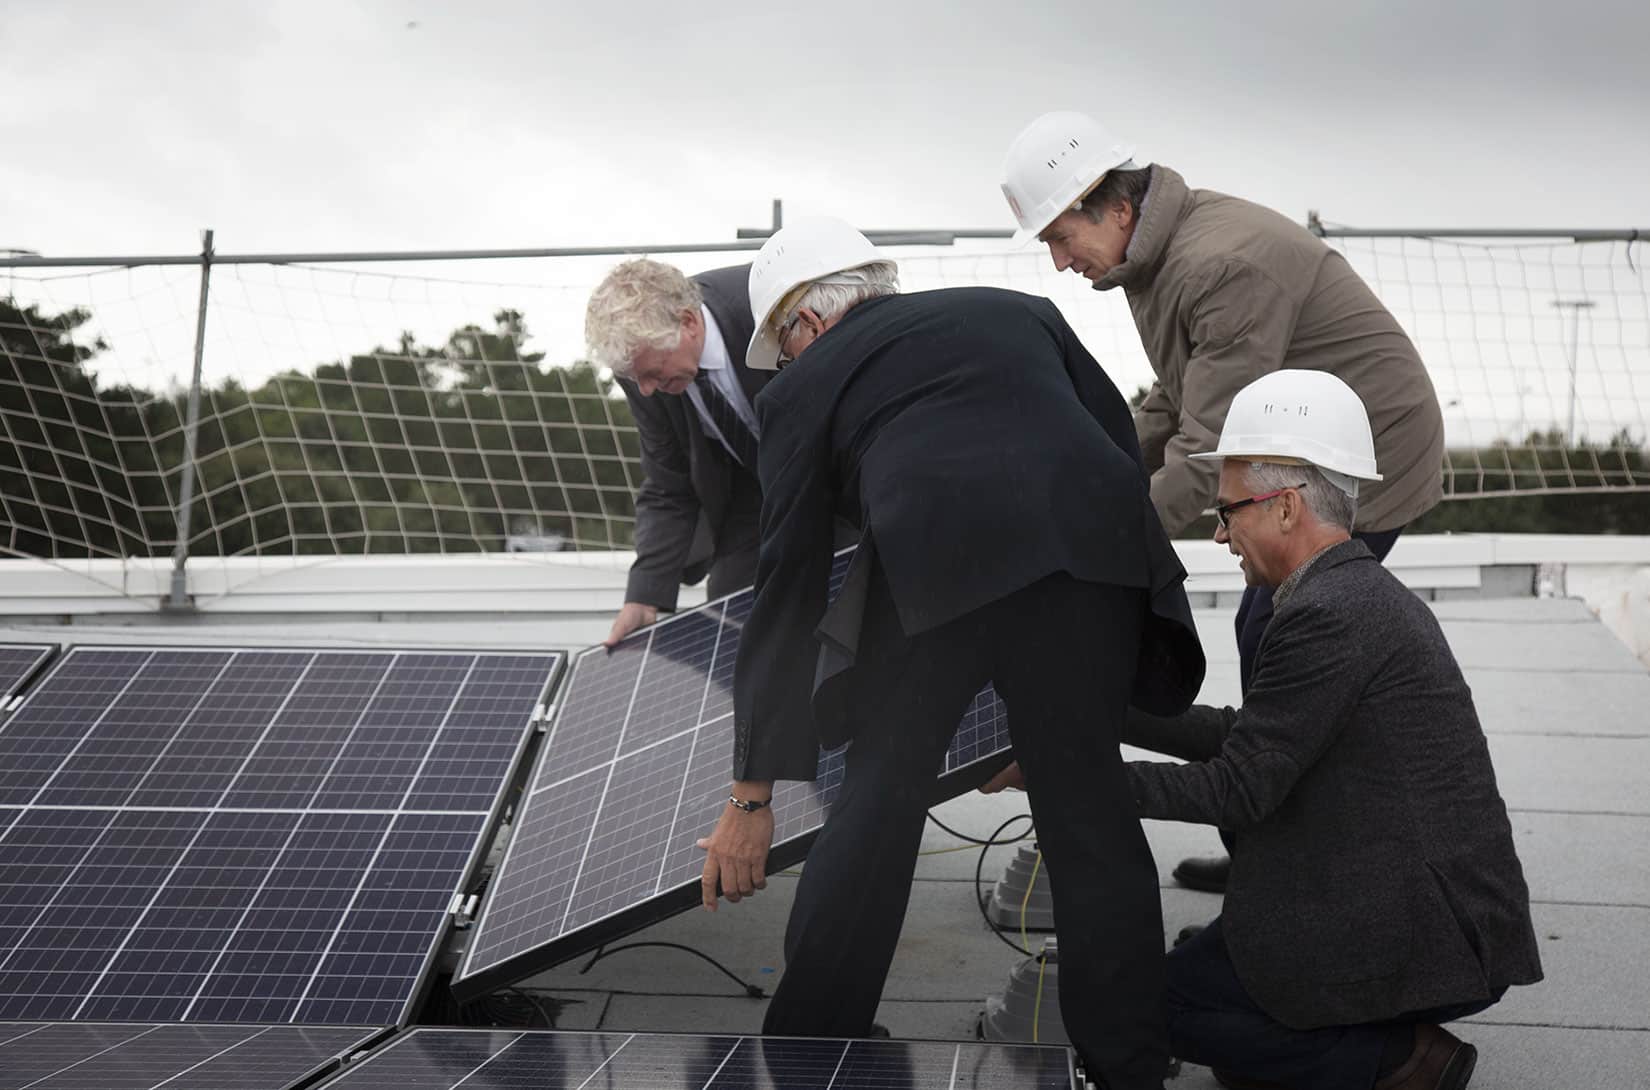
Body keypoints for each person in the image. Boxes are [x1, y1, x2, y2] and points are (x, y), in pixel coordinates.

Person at [695, 216, 1206, 1090]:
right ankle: (1128, 1064)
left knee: (878, 799)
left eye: (782, 348)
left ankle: (815, 1044)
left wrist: (751, 792)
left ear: (804, 327)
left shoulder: (803, 384)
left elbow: (788, 582)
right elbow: (1113, 439)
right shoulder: (1014, 308)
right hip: (1088, 555)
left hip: (933, 570)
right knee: (1089, 812)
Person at [990, 370, 1541, 1090]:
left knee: (1136, 1008)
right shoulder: (1346, 591)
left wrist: (1062, 777)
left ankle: (1400, 1058)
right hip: (1422, 905)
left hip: (1423, 931)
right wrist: (1099, 708)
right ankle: (1327, 1030)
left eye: (1229, 513)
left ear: (1284, 507)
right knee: (1225, 1024)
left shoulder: (1330, 612)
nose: (1220, 534)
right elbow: (1246, 736)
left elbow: (1240, 789)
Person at [1001, 111, 1447, 895]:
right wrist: (1078, 481)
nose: (1059, 260)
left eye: (1060, 237)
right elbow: (1177, 402)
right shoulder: (1150, 260)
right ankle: (1267, 848)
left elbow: (1207, 451)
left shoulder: (1219, 264)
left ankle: (1277, 870)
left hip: (1362, 463)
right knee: (1266, 642)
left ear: (1112, 203)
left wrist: (1091, 540)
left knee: (1277, 636)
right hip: (1292, 448)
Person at [584, 260, 767, 647]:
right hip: (749, 503)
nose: (645, 390)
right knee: (735, 636)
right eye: (636, 379)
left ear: (688, 322)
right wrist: (644, 594)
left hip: (835, 481)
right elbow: (668, 482)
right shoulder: (640, 370)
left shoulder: (768, 303)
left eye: (651, 373)